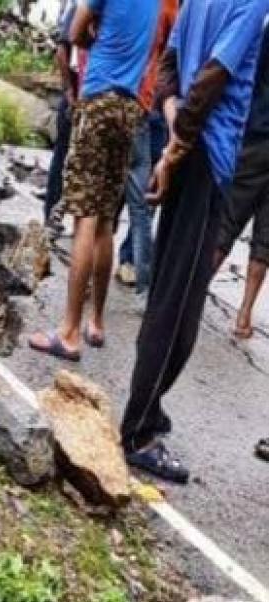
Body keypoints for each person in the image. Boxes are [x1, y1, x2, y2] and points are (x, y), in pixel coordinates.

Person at [121, 0, 269, 484]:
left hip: (188, 151)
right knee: (178, 308)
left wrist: (171, 141)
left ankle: (149, 409)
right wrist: (180, 145)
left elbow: (169, 71)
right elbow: (212, 77)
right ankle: (140, 430)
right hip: (206, 157)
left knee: (169, 288)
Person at [29, 0, 160, 362]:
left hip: (99, 99)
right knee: (105, 218)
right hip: (129, 108)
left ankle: (69, 332)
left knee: (84, 217)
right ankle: (96, 322)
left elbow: (73, 33)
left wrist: (91, 33)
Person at [116, 0, 180, 296]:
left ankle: (124, 260)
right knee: (141, 197)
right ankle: (138, 275)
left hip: (143, 101)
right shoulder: (169, 9)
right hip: (150, 102)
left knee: (130, 192)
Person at [214, 26, 269, 341]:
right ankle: (243, 315)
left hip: (258, 135)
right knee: (265, 239)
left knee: (229, 220)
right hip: (259, 134)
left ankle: (194, 294)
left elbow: (252, 74)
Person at [44, 0, 83, 231]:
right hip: (74, 97)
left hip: (90, 97)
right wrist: (69, 91)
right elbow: (61, 51)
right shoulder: (79, 8)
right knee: (63, 156)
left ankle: (72, 219)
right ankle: (51, 216)